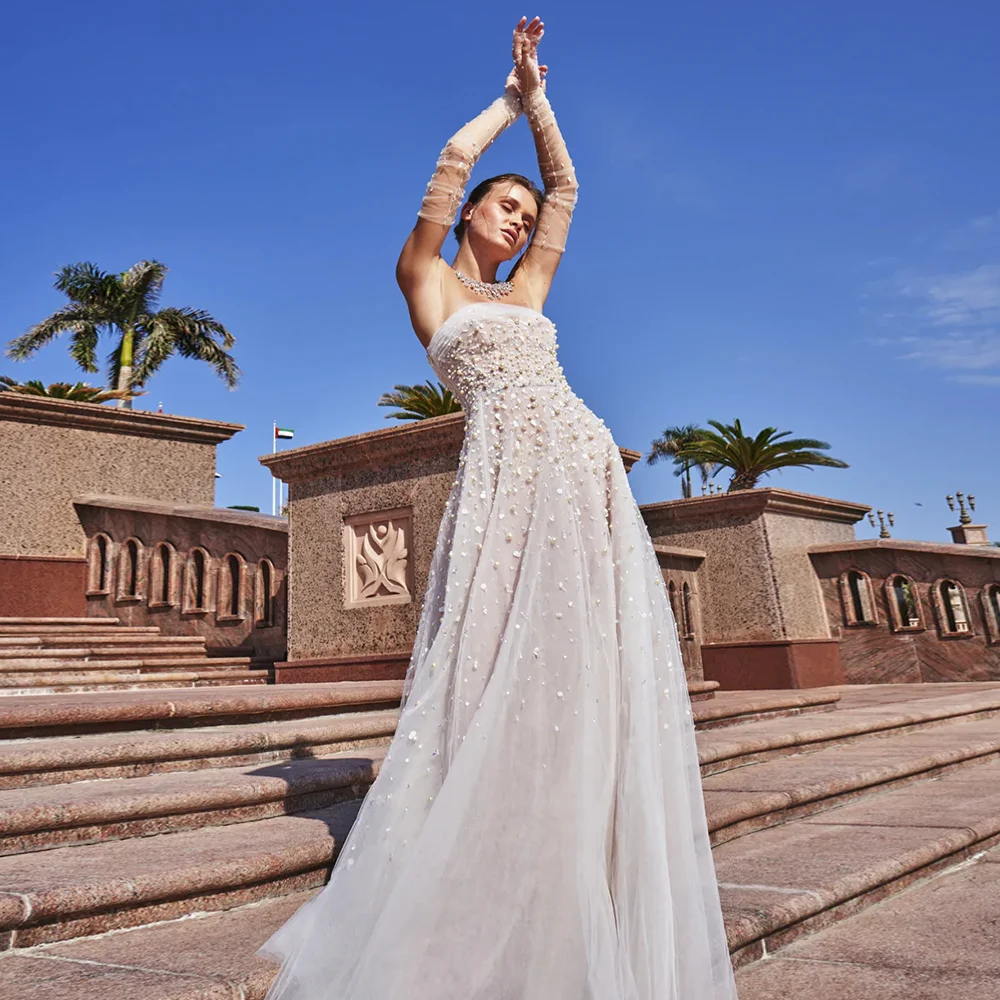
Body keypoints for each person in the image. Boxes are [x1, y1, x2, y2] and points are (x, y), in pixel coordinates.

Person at [258, 17, 738, 1000]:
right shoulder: (426, 281)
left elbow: (567, 188)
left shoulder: (531, 294)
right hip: (503, 475)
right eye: (504, 206)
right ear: (470, 211)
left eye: (524, 214)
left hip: (582, 468)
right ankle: (487, 840)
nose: (520, 218)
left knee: (579, 652)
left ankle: (574, 839)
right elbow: (447, 161)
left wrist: (544, 107)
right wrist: (503, 106)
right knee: (488, 644)